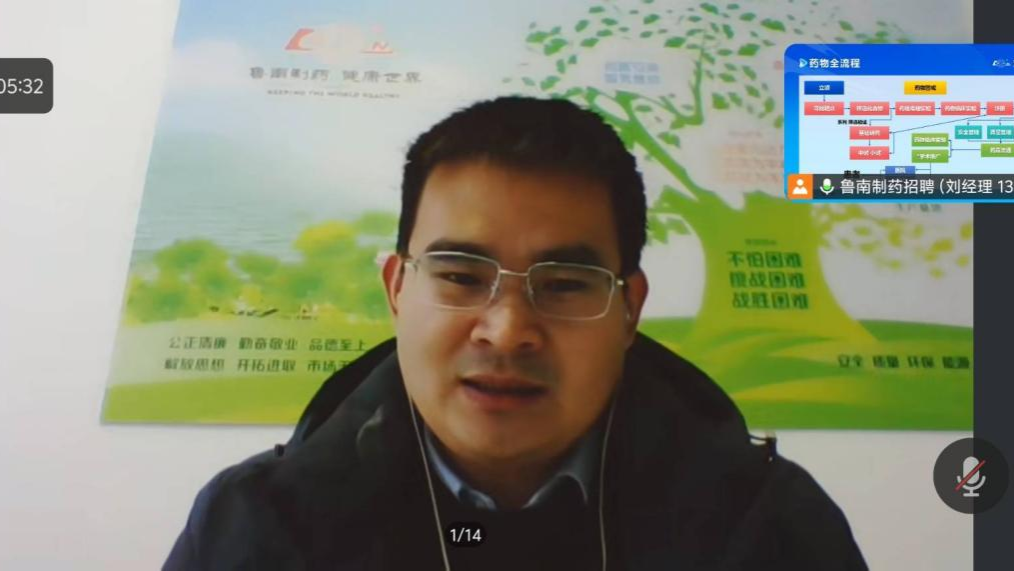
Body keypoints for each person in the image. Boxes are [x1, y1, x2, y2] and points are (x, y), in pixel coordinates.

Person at [165, 96, 867, 570]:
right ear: (397, 288)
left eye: (564, 284)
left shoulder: (768, 527)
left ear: (629, 309)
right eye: (460, 275)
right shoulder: (255, 525)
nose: (506, 332)